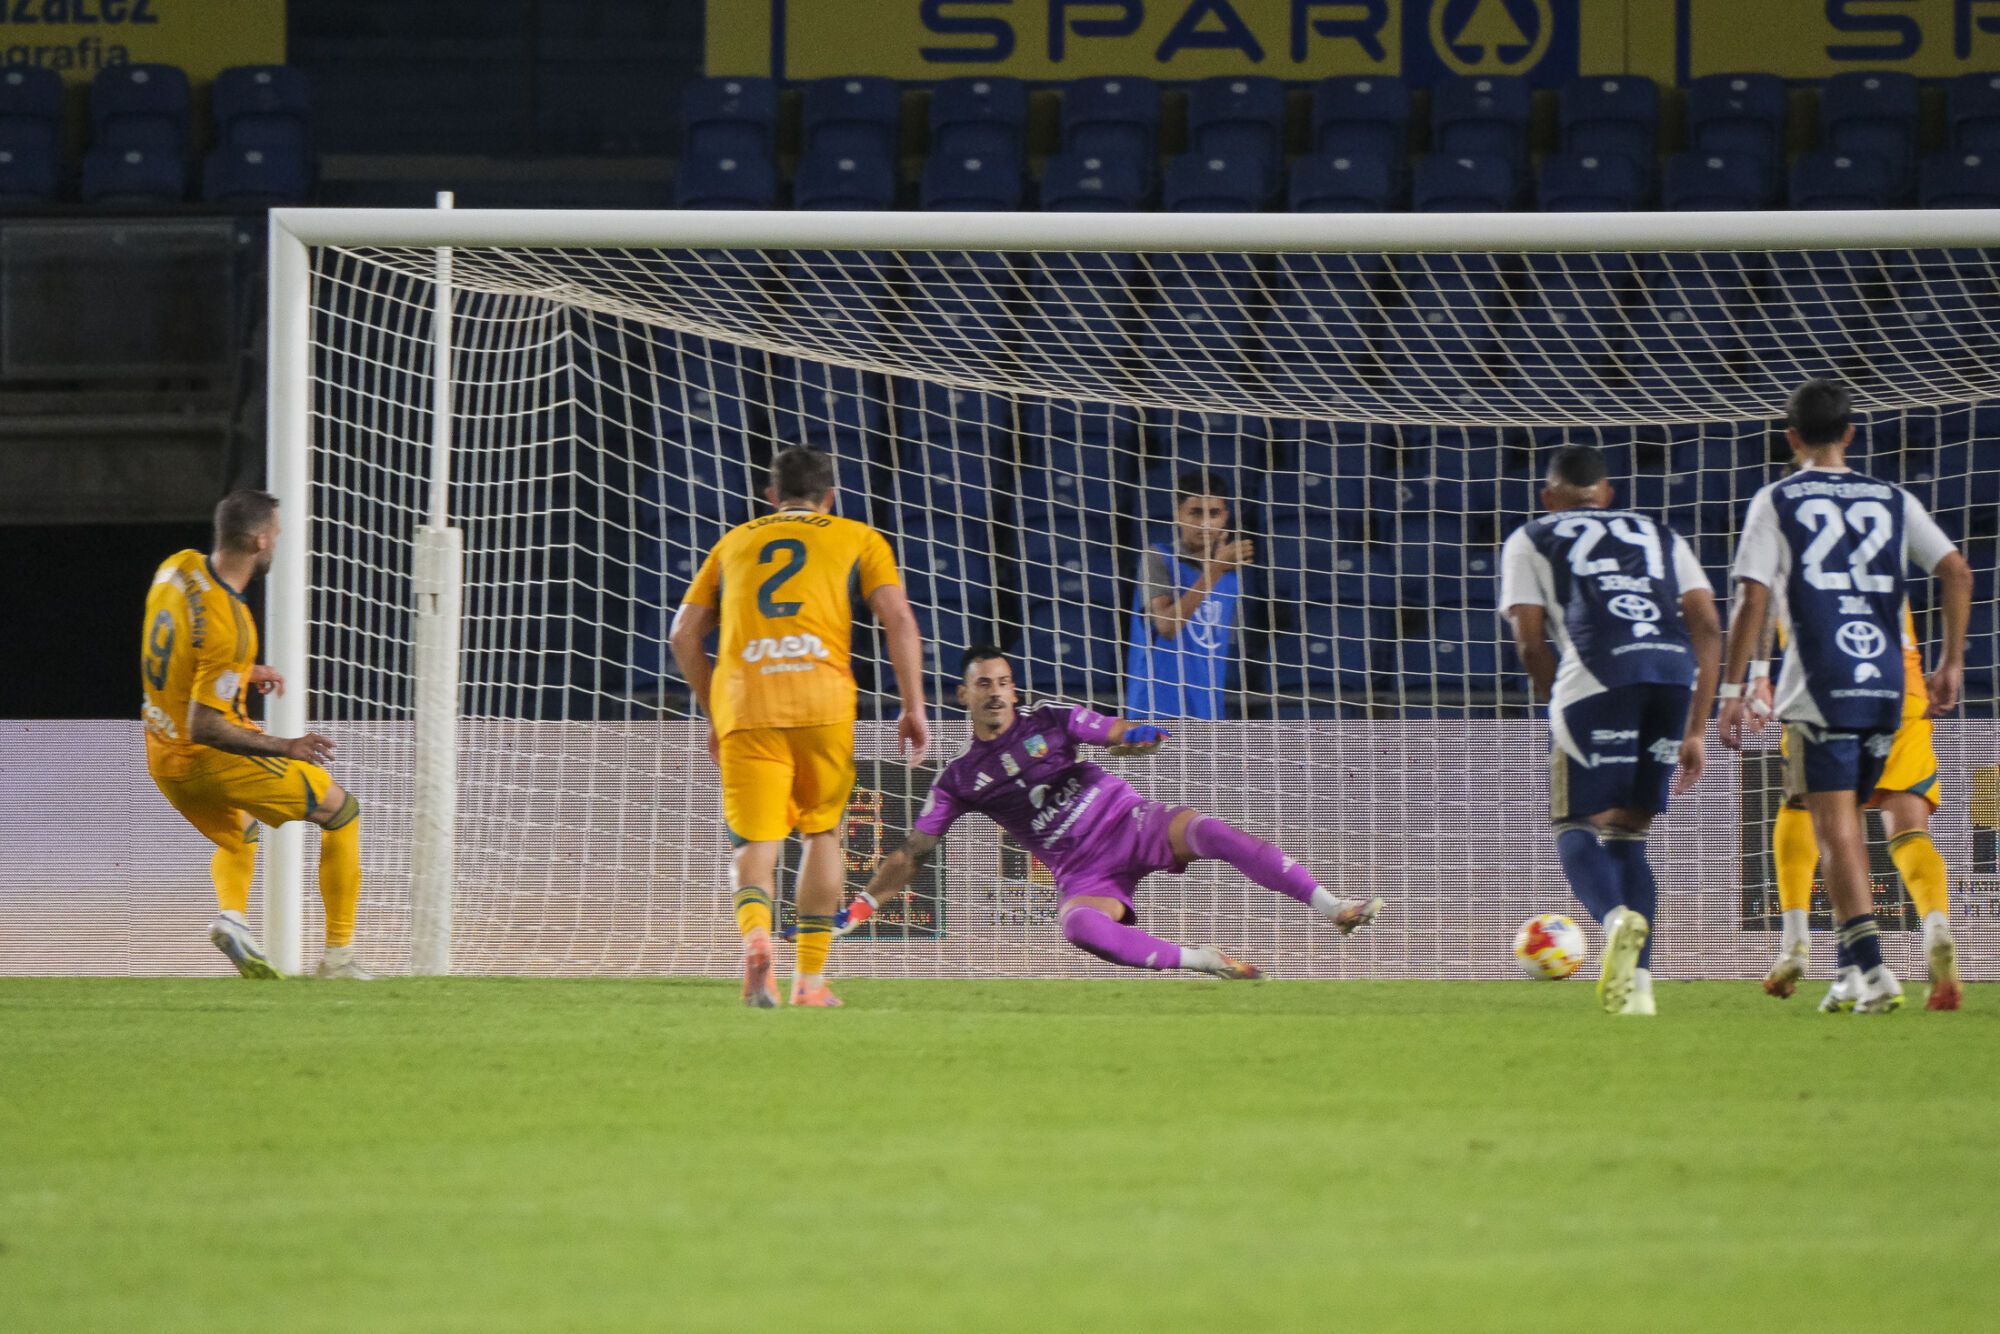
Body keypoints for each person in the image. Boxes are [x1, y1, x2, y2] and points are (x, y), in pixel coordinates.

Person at [825, 644, 1382, 977]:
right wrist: (861, 907)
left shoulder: (1053, 721)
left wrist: (1136, 737)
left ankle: (1334, 906)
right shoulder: (959, 780)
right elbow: (915, 850)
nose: (996, 692)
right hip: (1083, 871)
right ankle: (1203, 961)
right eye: (983, 685)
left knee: (1212, 831)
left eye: (1003, 683)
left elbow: (1113, 732)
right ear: (962, 696)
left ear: (1015, 691)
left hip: (1131, 823)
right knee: (1078, 925)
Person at [1721, 380, 1969, 1014]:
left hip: (1821, 684)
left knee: (1830, 825)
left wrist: (1735, 686)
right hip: (1895, 684)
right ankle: (1879, 956)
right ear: (1852, 433)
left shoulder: (1777, 500)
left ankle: (1848, 957)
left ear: (1791, 436)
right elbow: (1956, 570)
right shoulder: (1892, 496)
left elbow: (1753, 598)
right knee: (1893, 825)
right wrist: (1952, 664)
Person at [670, 446, 929, 1009]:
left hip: (748, 704)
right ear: (830, 497)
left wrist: (717, 711)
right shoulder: (858, 537)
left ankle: (757, 938)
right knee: (822, 834)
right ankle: (809, 982)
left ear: (770, 497)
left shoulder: (733, 542)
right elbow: (899, 619)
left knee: (755, 842)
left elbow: (683, 636)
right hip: (823, 704)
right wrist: (913, 705)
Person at [1500, 445, 1722, 1016]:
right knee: (1629, 834)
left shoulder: (1532, 535)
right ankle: (1638, 991)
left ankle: (1615, 919)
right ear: (1608, 494)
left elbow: (1528, 639)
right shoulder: (1659, 533)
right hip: (1672, 675)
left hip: (1596, 674)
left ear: (1548, 497)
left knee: (1573, 822)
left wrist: (1558, 703)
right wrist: (1696, 727)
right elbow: (1707, 622)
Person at [143, 489, 369, 980]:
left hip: (160, 757)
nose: (279, 543)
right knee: (342, 811)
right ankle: (338, 958)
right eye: (278, 536)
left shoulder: (176, 568)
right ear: (260, 541)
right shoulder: (233, 626)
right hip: (206, 755)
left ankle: (233, 919)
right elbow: (207, 726)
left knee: (240, 830)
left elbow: (184, 653)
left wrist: (240, 673)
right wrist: (287, 747)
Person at [1124, 470, 1251, 720]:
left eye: (1213, 514)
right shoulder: (1157, 558)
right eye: (1195, 513)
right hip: (1154, 711)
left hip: (1206, 714)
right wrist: (1214, 569)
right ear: (1178, 515)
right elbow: (1168, 627)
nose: (1204, 524)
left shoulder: (1231, 578)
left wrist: (1217, 569)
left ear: (1225, 517)